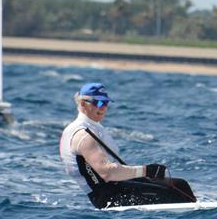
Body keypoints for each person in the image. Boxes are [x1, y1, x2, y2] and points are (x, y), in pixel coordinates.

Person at [59, 82, 196, 209]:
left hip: (118, 185)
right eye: (98, 102)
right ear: (83, 104)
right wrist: (146, 171)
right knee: (172, 195)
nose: (103, 107)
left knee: (179, 185)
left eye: (106, 103)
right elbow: (107, 172)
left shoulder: (93, 127)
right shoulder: (82, 135)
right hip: (108, 196)